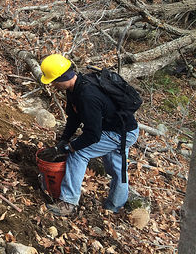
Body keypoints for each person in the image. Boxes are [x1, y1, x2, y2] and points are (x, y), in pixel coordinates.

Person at [39, 54, 139, 217]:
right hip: (117, 128)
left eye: (53, 81)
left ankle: (68, 203)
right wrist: (64, 139)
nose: (52, 85)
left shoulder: (87, 95)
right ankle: (114, 207)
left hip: (121, 133)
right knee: (116, 169)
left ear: (63, 77)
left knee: (78, 153)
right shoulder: (75, 88)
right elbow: (74, 117)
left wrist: (70, 147)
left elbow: (93, 135)